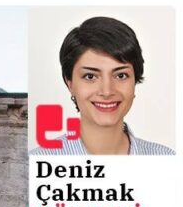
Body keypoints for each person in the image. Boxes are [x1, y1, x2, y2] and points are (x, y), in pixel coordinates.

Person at [33, 16, 174, 156]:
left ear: (135, 81)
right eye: (90, 77)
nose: (106, 91)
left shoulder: (167, 160)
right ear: (70, 83)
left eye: (120, 76)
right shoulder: (36, 162)